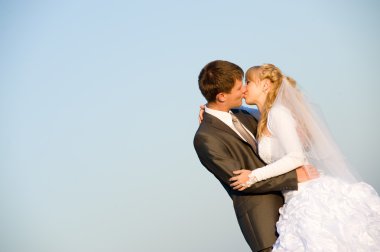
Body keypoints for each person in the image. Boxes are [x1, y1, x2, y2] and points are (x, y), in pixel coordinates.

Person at [229, 63, 380, 251]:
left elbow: (295, 157)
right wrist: (211, 110)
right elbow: (238, 114)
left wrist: (253, 176)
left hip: (308, 194)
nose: (244, 88)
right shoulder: (265, 116)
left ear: (265, 85)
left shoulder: (278, 113)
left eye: (248, 81)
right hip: (293, 198)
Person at [193, 60, 317, 252]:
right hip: (265, 225)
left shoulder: (248, 114)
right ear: (222, 96)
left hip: (295, 207)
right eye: (238, 87)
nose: (243, 89)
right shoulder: (206, 138)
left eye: (245, 83)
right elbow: (239, 181)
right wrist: (293, 177)